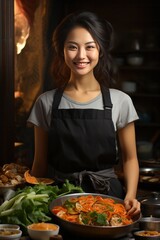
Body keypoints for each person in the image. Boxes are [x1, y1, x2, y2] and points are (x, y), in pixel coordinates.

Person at [27, 11, 140, 216]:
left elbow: (130, 158)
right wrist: (30, 197)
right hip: (59, 199)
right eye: (72, 47)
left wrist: (130, 195)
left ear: (101, 50)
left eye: (90, 47)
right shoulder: (46, 102)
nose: (81, 56)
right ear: (62, 50)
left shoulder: (120, 101)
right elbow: (40, 162)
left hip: (108, 200)